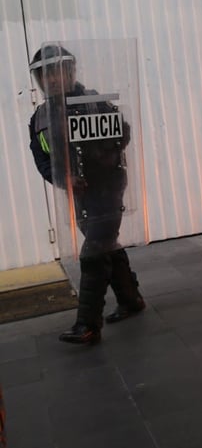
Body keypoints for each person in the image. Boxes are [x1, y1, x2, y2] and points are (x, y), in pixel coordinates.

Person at [28, 44, 145, 345]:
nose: (52, 80)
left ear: (70, 72)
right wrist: (63, 179)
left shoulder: (95, 102)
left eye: (57, 72)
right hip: (78, 196)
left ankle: (88, 324)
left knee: (93, 253)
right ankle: (131, 301)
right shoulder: (40, 117)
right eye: (45, 75)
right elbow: (43, 158)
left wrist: (96, 160)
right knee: (106, 245)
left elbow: (124, 133)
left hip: (107, 188)